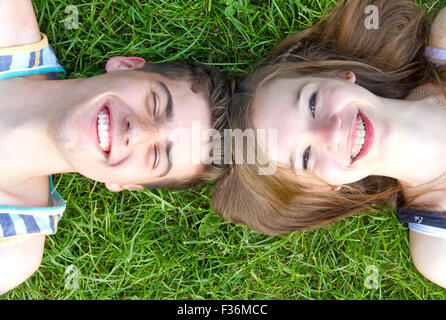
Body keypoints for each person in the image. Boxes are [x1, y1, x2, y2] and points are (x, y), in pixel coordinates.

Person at [0, 0, 230, 294]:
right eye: (155, 103)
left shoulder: (11, 253)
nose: (138, 132)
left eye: (156, 155)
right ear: (125, 66)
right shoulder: (8, 21)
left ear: (126, 183)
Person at [212, 0, 446, 288]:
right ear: (322, 186)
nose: (332, 133)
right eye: (305, 157)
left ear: (339, 74)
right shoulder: (438, 252)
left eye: (312, 104)